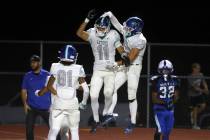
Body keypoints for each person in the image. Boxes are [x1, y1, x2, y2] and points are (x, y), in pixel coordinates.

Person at [76, 10, 125, 133]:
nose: (101, 30)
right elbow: (79, 33)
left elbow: (123, 54)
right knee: (93, 95)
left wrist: (119, 61)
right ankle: (96, 121)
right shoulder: (92, 33)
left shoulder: (114, 35)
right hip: (97, 70)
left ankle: (105, 114)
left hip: (110, 71)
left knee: (108, 93)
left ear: (108, 28)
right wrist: (87, 19)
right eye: (99, 27)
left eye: (103, 28)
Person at [101, 11, 147, 133]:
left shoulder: (140, 40)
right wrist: (111, 15)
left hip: (134, 67)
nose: (125, 29)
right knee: (111, 88)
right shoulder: (128, 31)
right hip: (125, 64)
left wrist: (115, 64)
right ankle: (109, 113)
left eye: (129, 27)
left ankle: (133, 122)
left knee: (131, 95)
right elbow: (117, 25)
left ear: (136, 29)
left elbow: (130, 60)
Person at [37, 45, 89, 140]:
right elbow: (86, 89)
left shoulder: (54, 66)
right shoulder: (79, 68)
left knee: (54, 130)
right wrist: (84, 103)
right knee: (74, 131)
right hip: (72, 105)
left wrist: (58, 95)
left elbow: (48, 86)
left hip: (58, 105)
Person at [21, 55, 51, 140]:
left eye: (34, 62)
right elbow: (24, 90)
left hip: (46, 108)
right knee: (29, 129)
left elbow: (53, 89)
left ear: (39, 63)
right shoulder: (27, 76)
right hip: (32, 107)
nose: (32, 64)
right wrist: (25, 104)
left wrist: (53, 105)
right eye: (31, 62)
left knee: (54, 129)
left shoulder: (47, 75)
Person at [151, 60, 179, 140]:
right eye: (163, 70)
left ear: (171, 70)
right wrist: (166, 102)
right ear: (159, 70)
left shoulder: (175, 80)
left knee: (167, 132)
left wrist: (173, 100)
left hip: (170, 110)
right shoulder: (156, 80)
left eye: (167, 70)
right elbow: (154, 99)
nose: (165, 72)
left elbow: (176, 96)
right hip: (159, 109)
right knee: (161, 130)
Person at [188, 63, 209, 129]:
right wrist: (204, 91)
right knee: (195, 108)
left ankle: (193, 114)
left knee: (203, 106)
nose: (199, 69)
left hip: (199, 94)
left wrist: (206, 88)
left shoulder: (201, 74)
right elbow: (195, 88)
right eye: (197, 68)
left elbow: (204, 82)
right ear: (194, 69)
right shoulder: (190, 77)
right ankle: (195, 125)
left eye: (199, 68)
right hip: (192, 95)